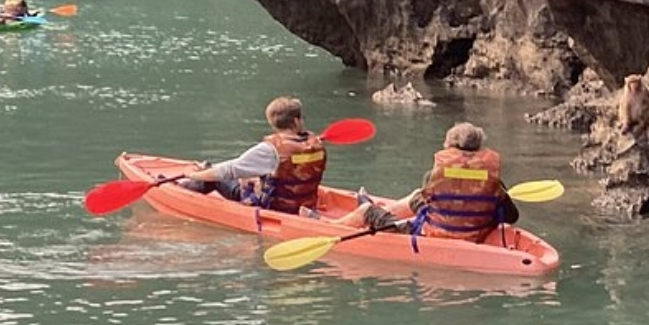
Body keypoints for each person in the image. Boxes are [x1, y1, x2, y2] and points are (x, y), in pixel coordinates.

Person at [343, 122, 518, 241]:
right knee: (416, 196)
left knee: (367, 211)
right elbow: (512, 216)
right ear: (479, 147)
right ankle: (382, 210)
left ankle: (337, 222)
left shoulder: (433, 176)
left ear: (450, 146)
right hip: (475, 235)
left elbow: (425, 206)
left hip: (433, 236)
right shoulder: (494, 181)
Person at [178, 97, 327, 214]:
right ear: (296, 120)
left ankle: (181, 194)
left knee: (213, 177)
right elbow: (289, 172)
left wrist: (193, 175)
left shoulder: (269, 149)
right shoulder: (316, 144)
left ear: (272, 122)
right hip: (304, 205)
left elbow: (229, 170)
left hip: (273, 208)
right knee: (244, 176)